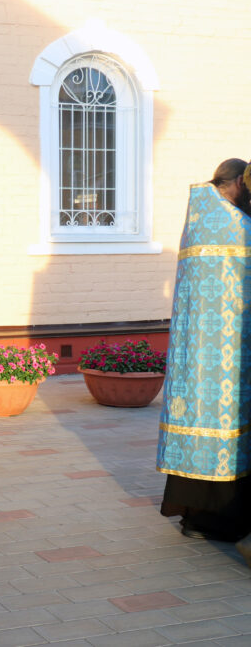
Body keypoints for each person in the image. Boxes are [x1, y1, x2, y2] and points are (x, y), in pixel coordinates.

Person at [159, 159, 251, 546]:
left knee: (196, 430)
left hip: (194, 354)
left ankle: (192, 516)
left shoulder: (199, 218)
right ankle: (218, 521)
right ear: (237, 183)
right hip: (228, 353)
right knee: (226, 434)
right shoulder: (238, 224)